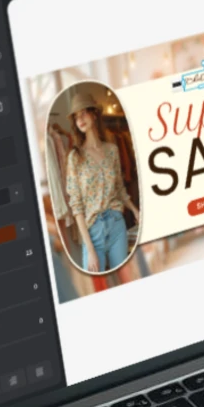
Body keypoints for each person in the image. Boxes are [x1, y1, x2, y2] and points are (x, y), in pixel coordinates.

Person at [64, 86, 140, 273]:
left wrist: (134, 210)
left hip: (117, 225)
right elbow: (76, 205)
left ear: (94, 115)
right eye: (76, 116)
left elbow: (120, 190)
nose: (80, 119)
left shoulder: (112, 150)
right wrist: (89, 249)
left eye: (84, 113)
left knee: (124, 279)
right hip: (93, 231)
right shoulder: (75, 157)